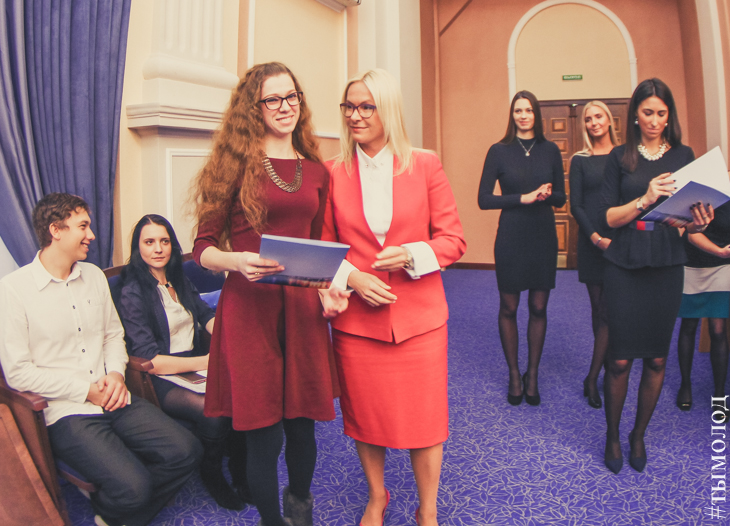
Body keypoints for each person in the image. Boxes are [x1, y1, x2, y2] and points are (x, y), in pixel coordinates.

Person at [191, 62, 343, 526]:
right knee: (263, 435)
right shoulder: (231, 167)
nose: (285, 106)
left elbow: (319, 245)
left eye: (291, 96)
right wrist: (234, 261)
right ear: (253, 108)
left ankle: (300, 508)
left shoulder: (316, 171)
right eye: (272, 99)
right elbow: (202, 248)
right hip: (249, 310)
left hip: (301, 310)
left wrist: (328, 290)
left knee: (302, 428)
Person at [0, 193, 202, 526]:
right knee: (134, 486)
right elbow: (18, 373)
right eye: (83, 226)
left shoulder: (93, 275)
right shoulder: (13, 290)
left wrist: (117, 376)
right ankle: (124, 498)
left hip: (115, 395)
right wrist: (86, 390)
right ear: (56, 230)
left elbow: (112, 336)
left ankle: (114, 512)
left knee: (187, 451)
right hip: (66, 411)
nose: (91, 235)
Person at [322, 69, 466, 526]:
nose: (355, 115)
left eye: (366, 106)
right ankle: (376, 496)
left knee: (426, 421)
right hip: (358, 324)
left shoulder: (424, 164)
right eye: (349, 107)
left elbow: (453, 240)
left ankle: (428, 509)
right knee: (366, 418)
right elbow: (325, 247)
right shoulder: (333, 172)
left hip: (420, 319)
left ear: (388, 110)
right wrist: (353, 277)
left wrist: (412, 254)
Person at [598, 78, 713, 474]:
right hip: (624, 263)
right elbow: (609, 218)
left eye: (661, 113)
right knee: (619, 360)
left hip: (666, 263)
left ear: (669, 116)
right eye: (647, 112)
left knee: (657, 358)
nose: (654, 120)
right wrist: (644, 199)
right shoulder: (619, 157)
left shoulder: (684, 155)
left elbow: (687, 222)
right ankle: (613, 435)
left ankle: (638, 435)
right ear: (635, 114)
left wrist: (699, 221)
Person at [117, 214, 249, 510]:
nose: (158, 249)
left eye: (164, 241)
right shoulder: (132, 292)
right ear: (138, 247)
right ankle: (212, 473)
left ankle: (240, 468)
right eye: (149, 242)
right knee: (211, 409)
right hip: (160, 377)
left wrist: (227, 334)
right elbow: (150, 360)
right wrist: (207, 361)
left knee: (242, 391)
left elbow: (205, 314)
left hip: (195, 362)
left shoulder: (178, 279)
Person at [478, 90, 566, 406]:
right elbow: (484, 199)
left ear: (536, 114)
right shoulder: (498, 151)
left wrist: (547, 194)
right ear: (512, 115)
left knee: (539, 308)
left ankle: (533, 374)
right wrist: (523, 198)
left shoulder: (550, 150)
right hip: (511, 237)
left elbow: (562, 199)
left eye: (528, 110)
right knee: (509, 307)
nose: (524, 115)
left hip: (542, 236)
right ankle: (514, 374)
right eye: (518, 110)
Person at [568, 101, 619, 409]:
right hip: (592, 242)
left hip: (619, 240)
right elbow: (576, 206)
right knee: (599, 309)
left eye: (598, 116)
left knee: (611, 311)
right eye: (588, 119)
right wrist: (596, 239)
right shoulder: (580, 160)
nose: (593, 122)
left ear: (609, 120)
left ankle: (594, 375)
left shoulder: (623, 155)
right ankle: (603, 369)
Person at [675, 202, 730, 416]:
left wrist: (724, 254)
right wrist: (719, 252)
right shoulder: (702, 195)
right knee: (689, 324)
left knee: (718, 330)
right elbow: (692, 234)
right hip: (693, 262)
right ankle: (685, 385)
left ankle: (719, 394)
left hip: (723, 265)